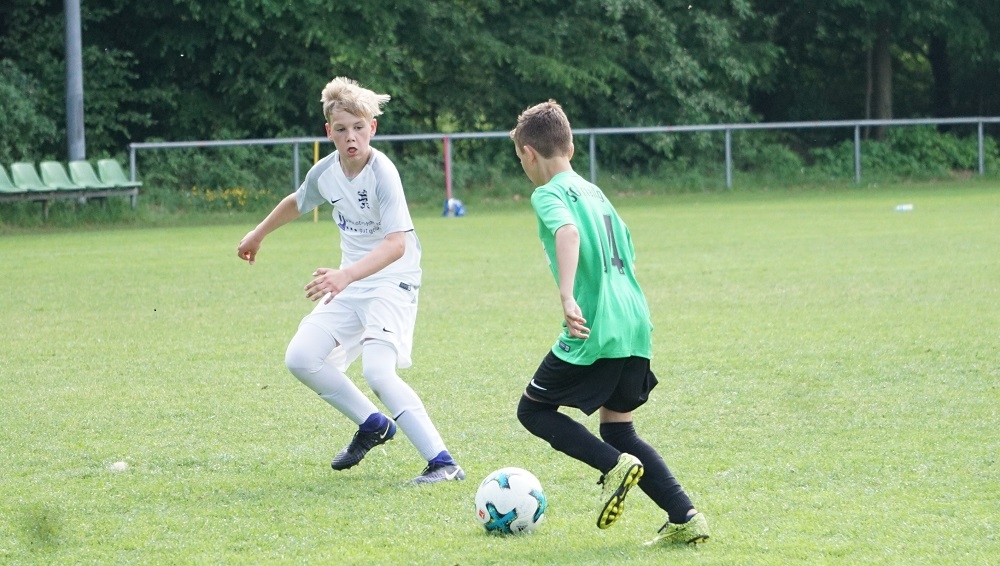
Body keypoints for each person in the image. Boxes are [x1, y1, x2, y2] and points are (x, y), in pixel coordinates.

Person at [237, 77, 463, 485]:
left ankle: (443, 463)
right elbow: (298, 201)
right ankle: (373, 424)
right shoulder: (326, 171)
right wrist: (258, 234)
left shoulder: (383, 173)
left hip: (392, 281)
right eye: (341, 129)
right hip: (350, 282)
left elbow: (396, 245)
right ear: (329, 132)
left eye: (359, 127)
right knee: (301, 358)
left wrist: (345, 275)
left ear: (372, 128)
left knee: (379, 372)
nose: (351, 137)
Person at [509, 100, 710, 544]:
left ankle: (612, 466)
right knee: (618, 429)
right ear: (571, 147)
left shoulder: (548, 193)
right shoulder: (598, 195)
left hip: (595, 326)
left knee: (533, 410)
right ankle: (685, 517)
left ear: (528, 153)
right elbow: (628, 254)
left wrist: (567, 295)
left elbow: (567, 233)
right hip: (634, 322)